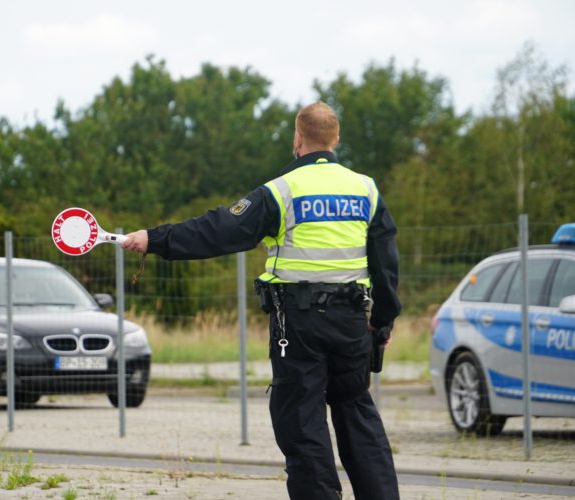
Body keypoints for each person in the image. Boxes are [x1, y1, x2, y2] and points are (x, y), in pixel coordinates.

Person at [122, 102, 401, 500]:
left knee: (303, 427)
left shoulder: (282, 190)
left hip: (299, 327)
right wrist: (383, 323)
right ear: (336, 140)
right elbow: (386, 263)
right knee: (358, 414)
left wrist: (156, 238)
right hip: (353, 323)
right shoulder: (366, 189)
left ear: (297, 139)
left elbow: (218, 230)